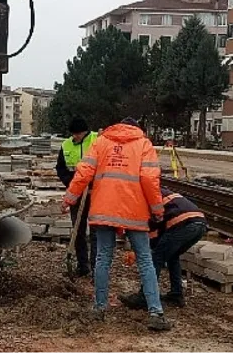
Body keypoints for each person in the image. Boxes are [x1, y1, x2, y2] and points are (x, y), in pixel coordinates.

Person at [62, 117, 171, 331]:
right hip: (134, 211)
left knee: (103, 257)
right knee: (145, 260)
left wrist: (69, 199)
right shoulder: (144, 145)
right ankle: (155, 312)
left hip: (104, 209)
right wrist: (157, 210)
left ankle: (100, 308)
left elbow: (84, 172)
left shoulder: (101, 142)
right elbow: (150, 180)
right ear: (136, 128)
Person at [119, 188, 207, 309]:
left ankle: (144, 297)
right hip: (199, 223)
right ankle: (176, 295)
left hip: (182, 224)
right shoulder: (158, 192)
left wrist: (138, 250)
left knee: (157, 258)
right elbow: (157, 234)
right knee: (172, 257)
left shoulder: (145, 199)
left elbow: (153, 230)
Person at [55, 116, 99, 277]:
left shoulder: (97, 140)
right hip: (77, 193)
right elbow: (60, 168)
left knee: (96, 232)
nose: (75, 137)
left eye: (77, 134)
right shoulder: (66, 145)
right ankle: (82, 266)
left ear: (85, 132)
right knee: (78, 230)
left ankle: (96, 269)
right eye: (73, 134)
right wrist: (71, 183)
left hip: (96, 193)